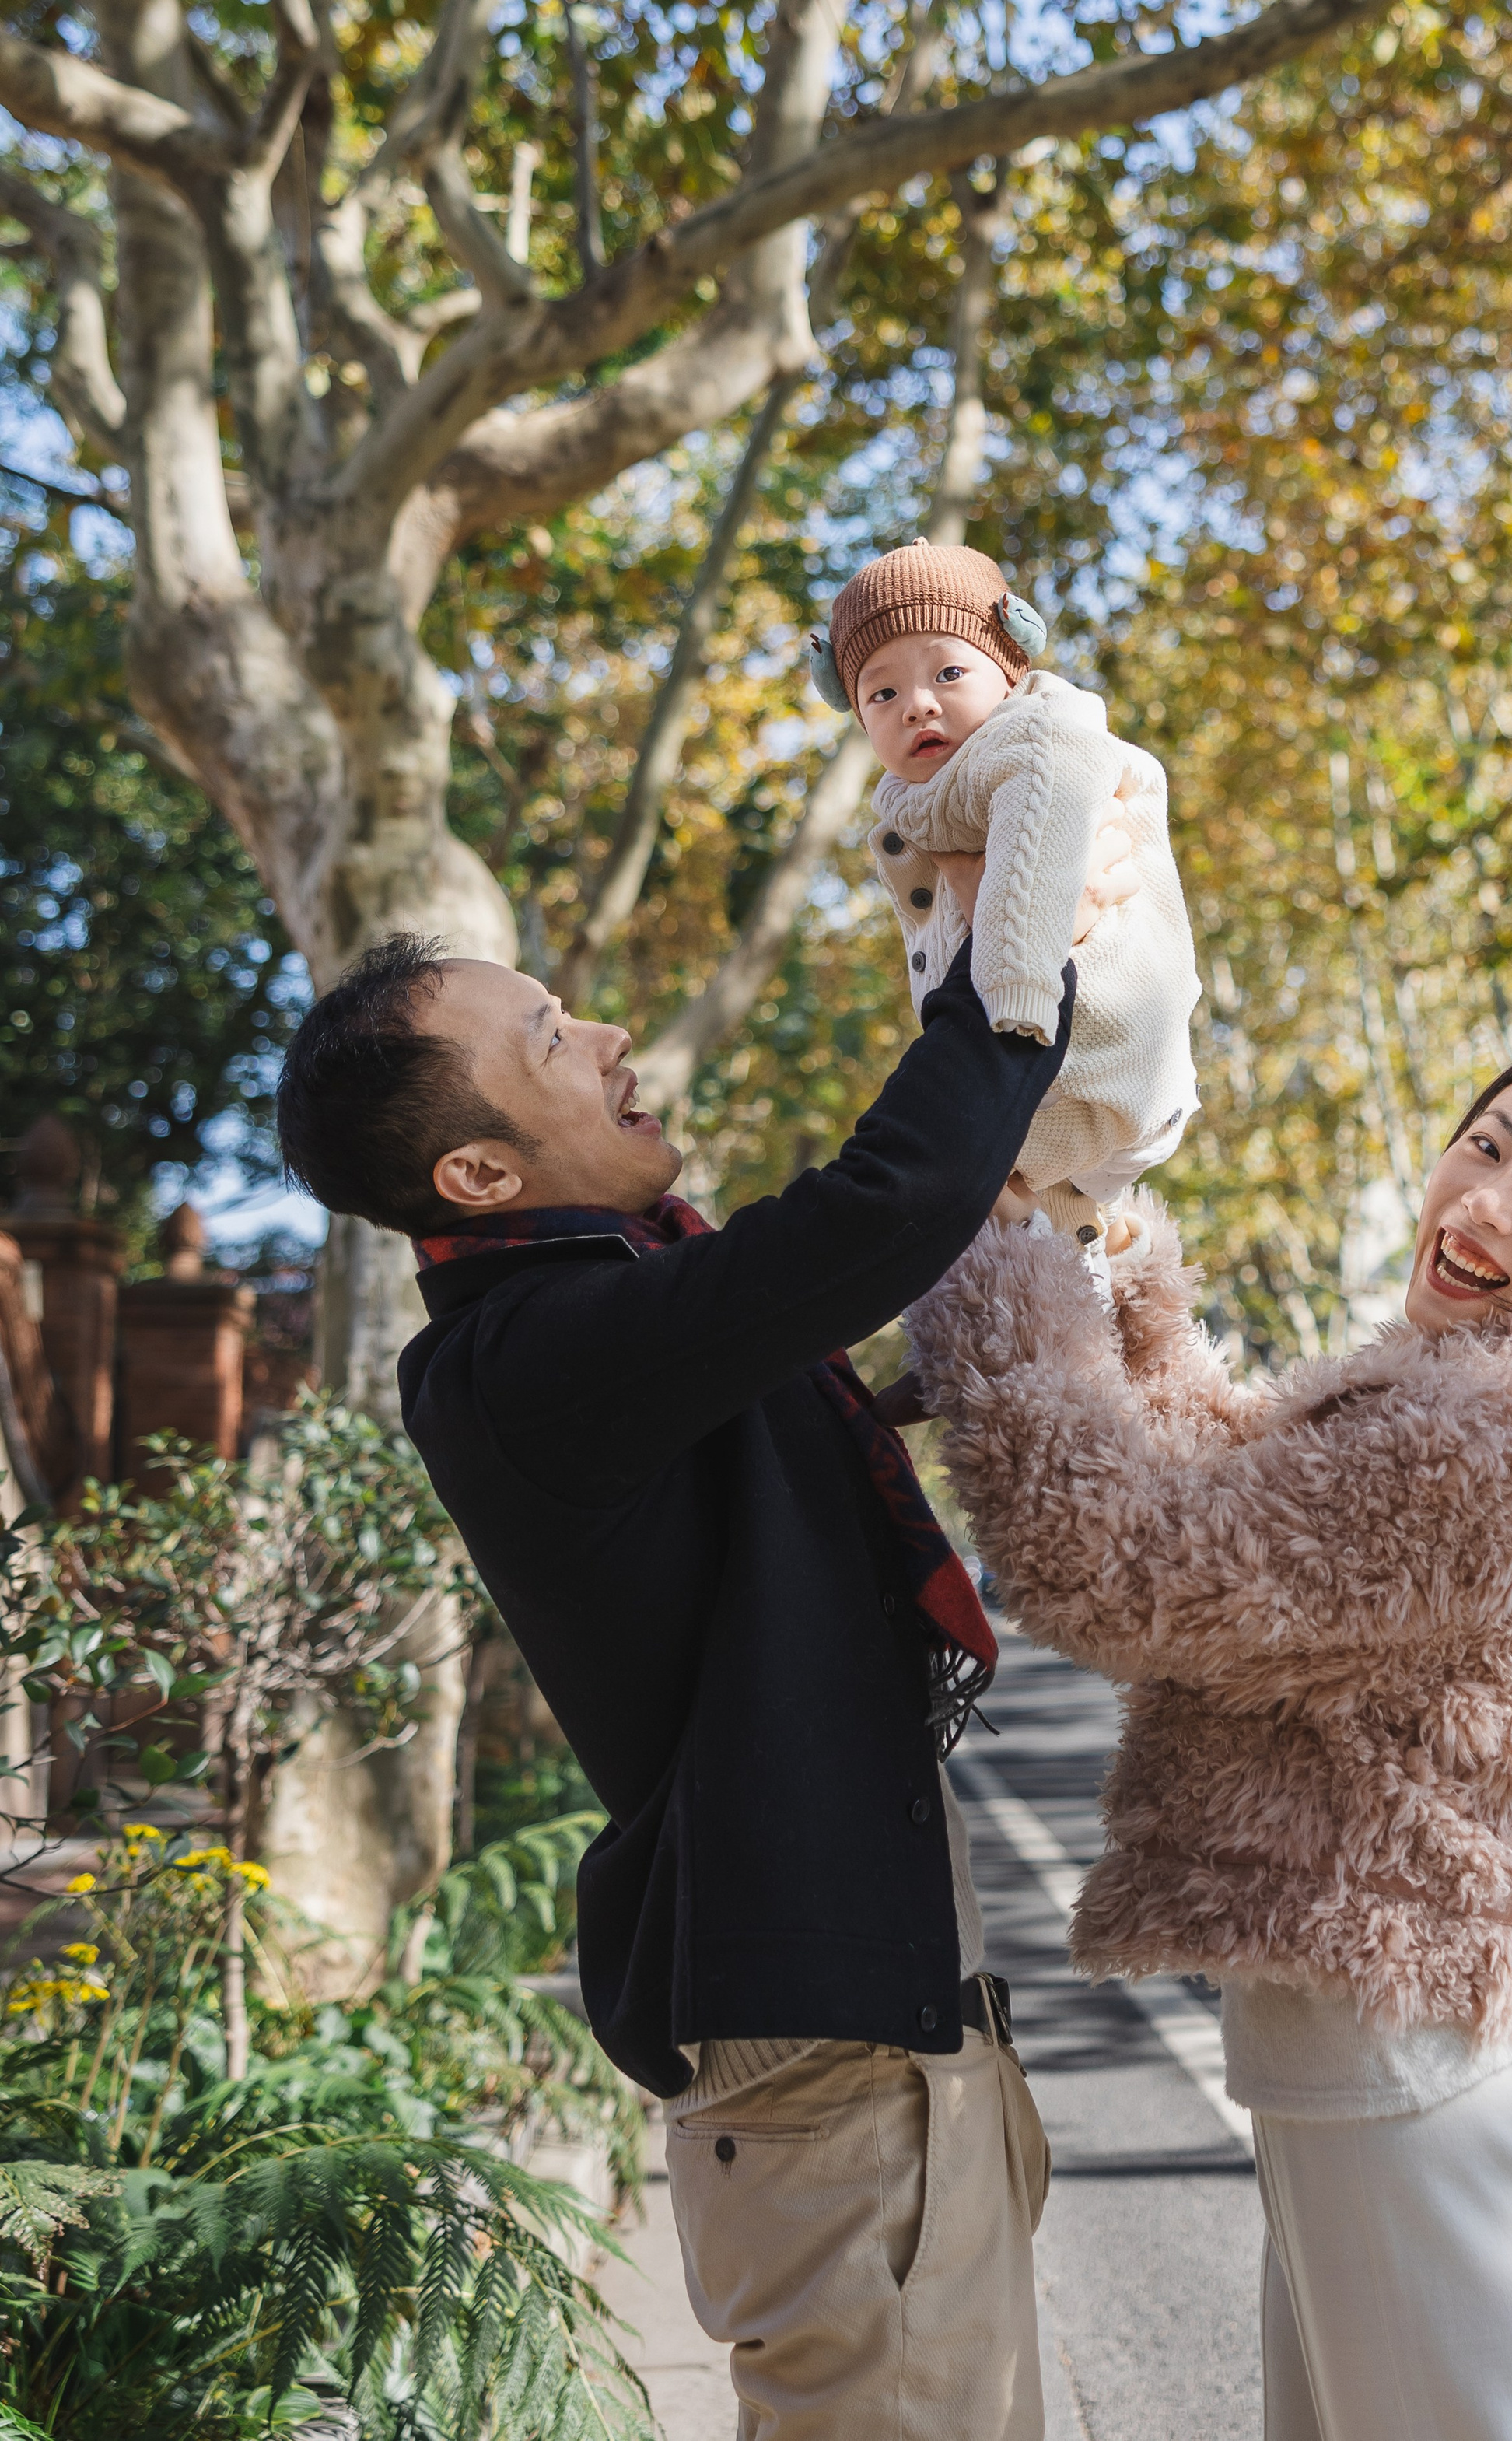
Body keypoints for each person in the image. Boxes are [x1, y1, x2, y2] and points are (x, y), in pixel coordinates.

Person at [271, 846, 1130, 2441]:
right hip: (827, 2060)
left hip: (874, 2039)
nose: (602, 1035)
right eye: (545, 1040)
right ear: (475, 1173)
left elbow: (745, 1468)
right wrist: (1006, 967)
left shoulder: (589, 1318)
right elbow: (877, 1212)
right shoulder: (528, 1351)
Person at [899, 1035, 1512, 2441]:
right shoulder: (1465, 1400)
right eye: (1487, 1143)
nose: (1485, 1200)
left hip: (1412, 2099)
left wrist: (993, 1272)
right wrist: (1115, 1281)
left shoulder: (1496, 1446)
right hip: (1390, 2083)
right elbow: (1231, 1477)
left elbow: (1122, 1564)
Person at [811, 538, 1201, 1258]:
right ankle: (1089, 1233)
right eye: (881, 692)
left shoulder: (1039, 740)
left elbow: (1037, 862)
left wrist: (1016, 990)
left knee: (964, 1182)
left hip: (1096, 1049)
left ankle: (1074, 1236)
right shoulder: (921, 797)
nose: (917, 705)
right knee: (1016, 1229)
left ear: (1012, 666)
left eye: (949, 672)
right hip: (1052, 1070)